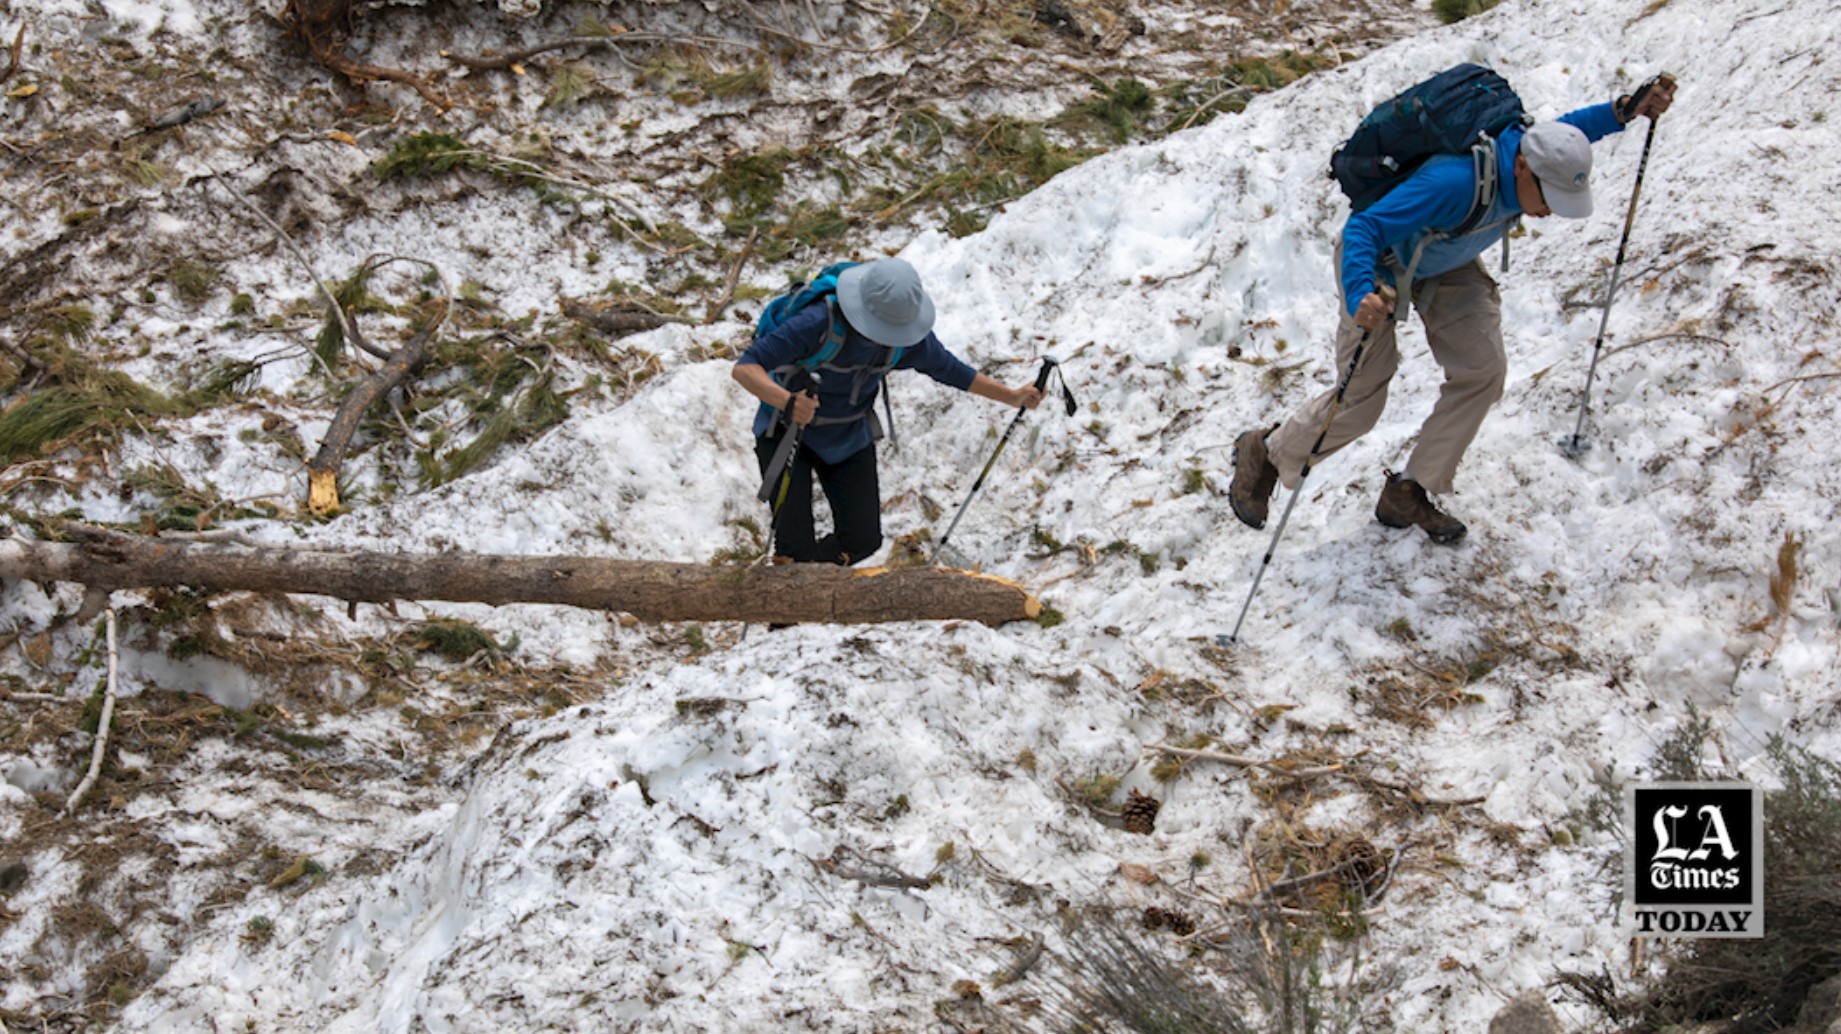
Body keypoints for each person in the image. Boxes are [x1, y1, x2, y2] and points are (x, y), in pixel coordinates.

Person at [1229, 73, 1678, 544]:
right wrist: (1362, 290)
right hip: (1380, 265)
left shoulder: (1534, 155)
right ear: (1523, 168)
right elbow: (1364, 229)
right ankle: (1267, 449)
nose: (1549, 212)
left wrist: (1623, 110)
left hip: (1445, 256)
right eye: (1549, 199)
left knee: (1483, 370)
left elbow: (1567, 132)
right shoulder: (1453, 182)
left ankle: (1409, 489)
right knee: (1362, 399)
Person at [733, 257, 1044, 564]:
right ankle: (790, 590)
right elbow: (746, 367)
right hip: (786, 432)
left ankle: (806, 579)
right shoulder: (817, 322)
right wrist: (787, 401)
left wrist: (1012, 397)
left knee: (862, 541)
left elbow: (950, 369)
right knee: (793, 548)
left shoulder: (904, 335)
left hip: (848, 434)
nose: (887, 337)